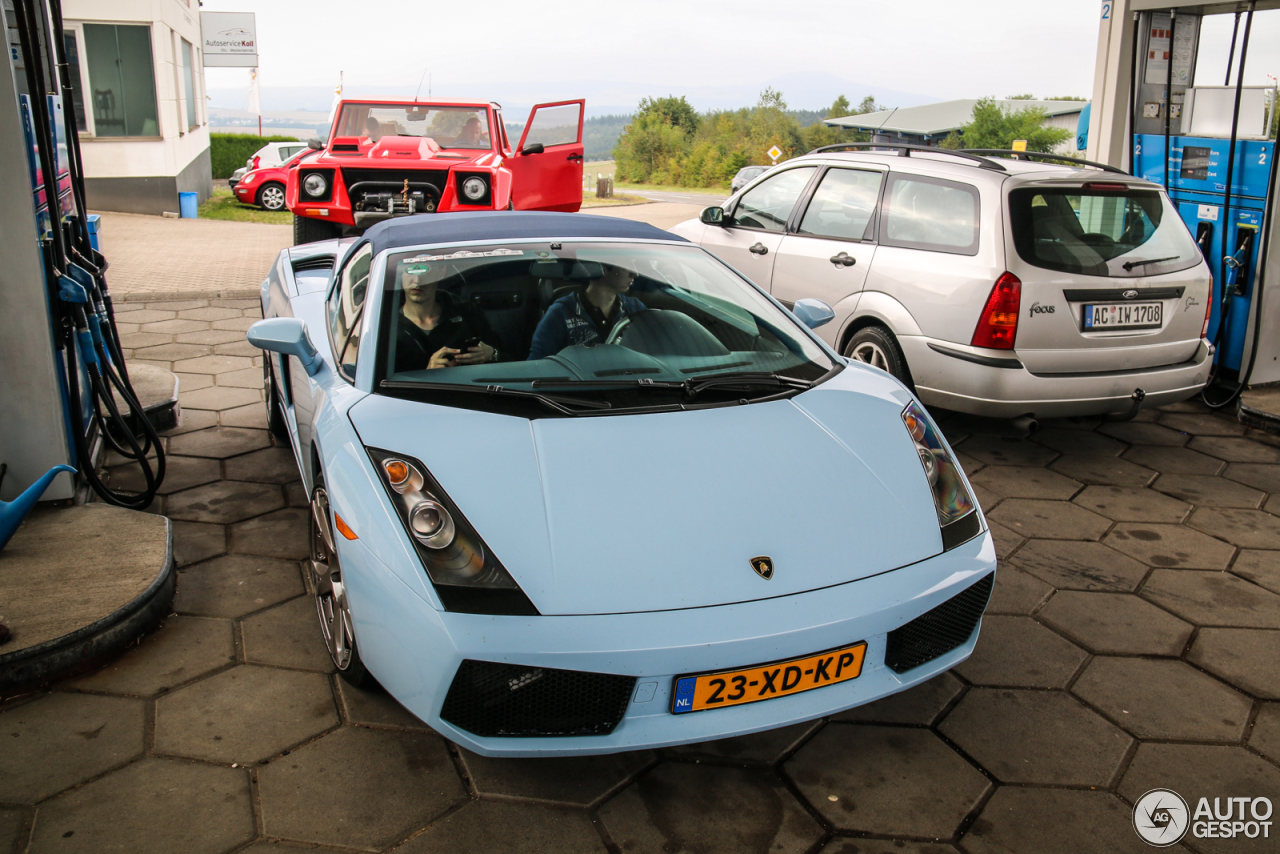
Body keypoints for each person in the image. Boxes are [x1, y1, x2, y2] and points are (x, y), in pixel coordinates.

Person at [393, 263, 501, 371]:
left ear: (441, 272)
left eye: (426, 272)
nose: (417, 281)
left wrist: (492, 354)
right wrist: (427, 374)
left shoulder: (466, 311)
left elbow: (510, 359)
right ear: (400, 273)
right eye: (410, 271)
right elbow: (381, 381)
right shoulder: (385, 323)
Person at [528, 263, 645, 360]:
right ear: (602, 268)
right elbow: (538, 365)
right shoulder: (561, 312)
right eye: (626, 265)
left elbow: (656, 348)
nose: (635, 273)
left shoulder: (635, 307)